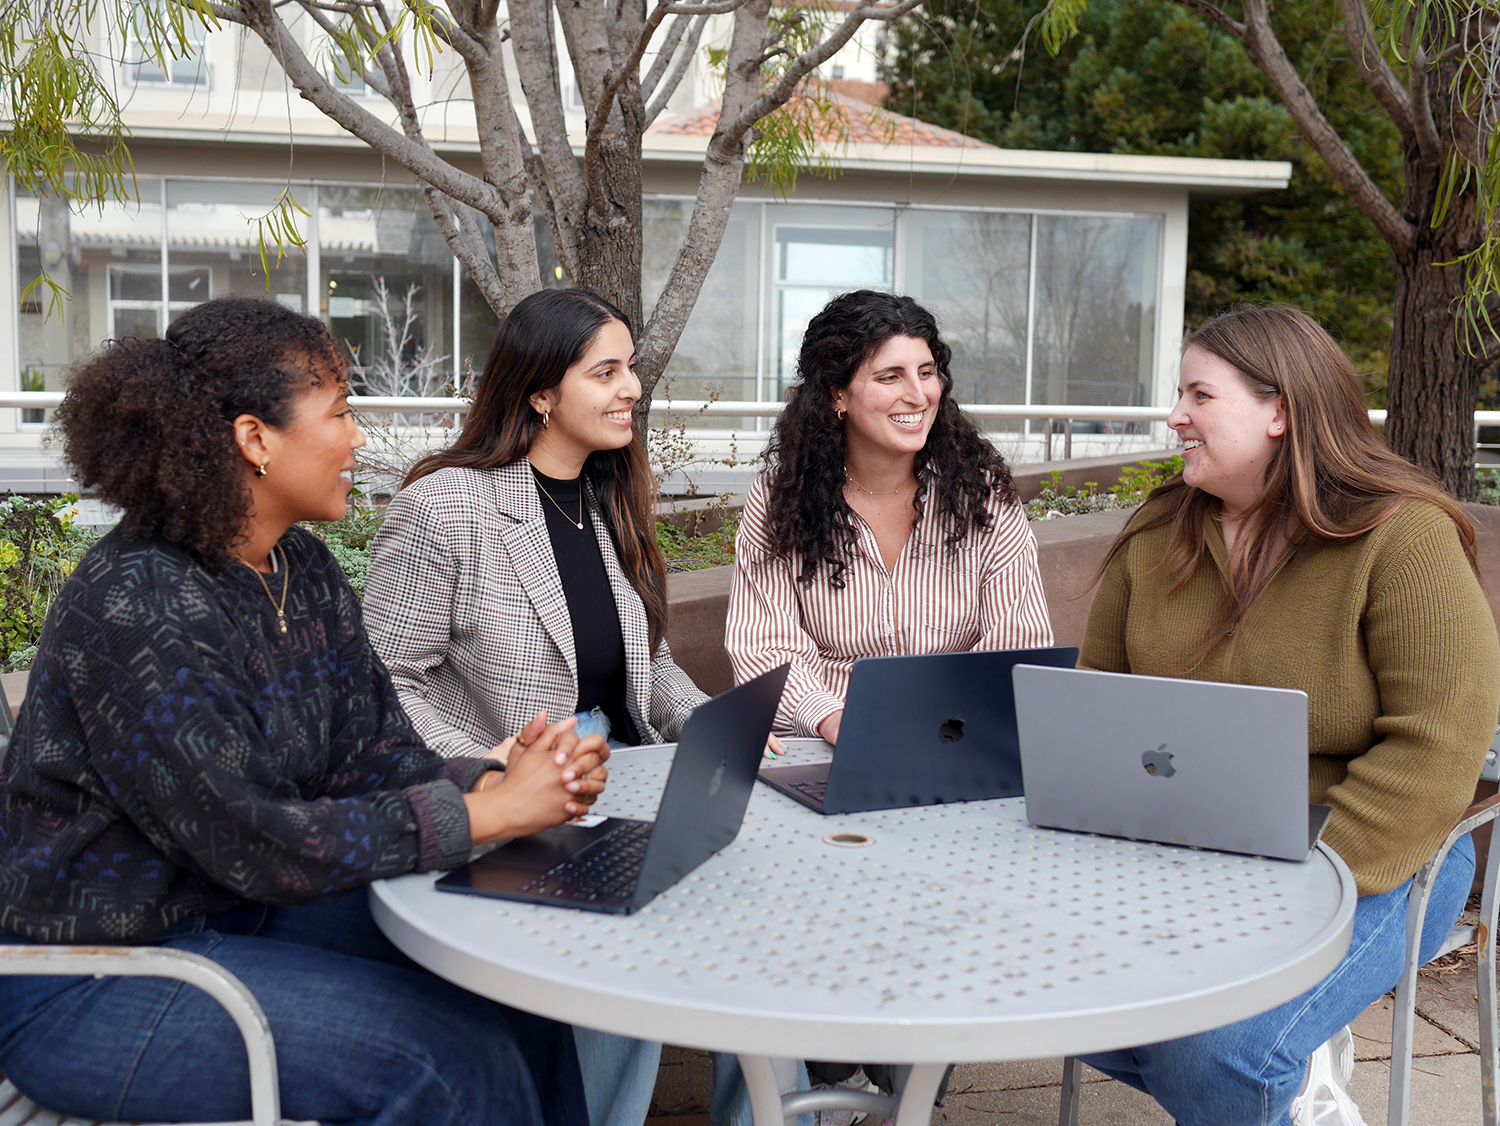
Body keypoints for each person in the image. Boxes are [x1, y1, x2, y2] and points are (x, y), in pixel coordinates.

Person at [0, 297, 607, 1126]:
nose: (359, 436)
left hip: (242, 915)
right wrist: (486, 814)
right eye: (341, 413)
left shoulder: (301, 567)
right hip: (96, 975)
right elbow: (250, 839)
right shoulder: (136, 600)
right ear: (255, 439)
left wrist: (508, 776)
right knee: (441, 1063)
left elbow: (375, 754)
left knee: (525, 984)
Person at [1077, 305, 1500, 1126]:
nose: (1175, 417)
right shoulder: (1157, 535)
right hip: (1188, 848)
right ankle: (1292, 1070)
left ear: (1282, 411)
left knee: (1215, 1052)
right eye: (1178, 394)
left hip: (1371, 850)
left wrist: (1304, 882)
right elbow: (1100, 709)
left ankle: (1273, 1064)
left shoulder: (1402, 538)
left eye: (1200, 394)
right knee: (1047, 993)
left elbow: (1439, 745)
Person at [364, 287, 724, 1126]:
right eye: (607, 371)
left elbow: (649, 668)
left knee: (754, 897)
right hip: (519, 810)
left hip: (630, 786)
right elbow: (385, 682)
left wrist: (714, 725)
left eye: (631, 368)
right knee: (631, 941)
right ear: (538, 392)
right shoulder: (445, 507)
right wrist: (497, 765)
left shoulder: (609, 498)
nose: (632, 386)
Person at [726, 288, 1053, 742]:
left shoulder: (983, 495)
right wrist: (834, 719)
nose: (918, 396)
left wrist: (945, 725)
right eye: (890, 377)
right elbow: (764, 648)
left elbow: (1020, 641)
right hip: (827, 743)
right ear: (837, 394)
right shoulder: (781, 498)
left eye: (926, 373)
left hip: (960, 738)